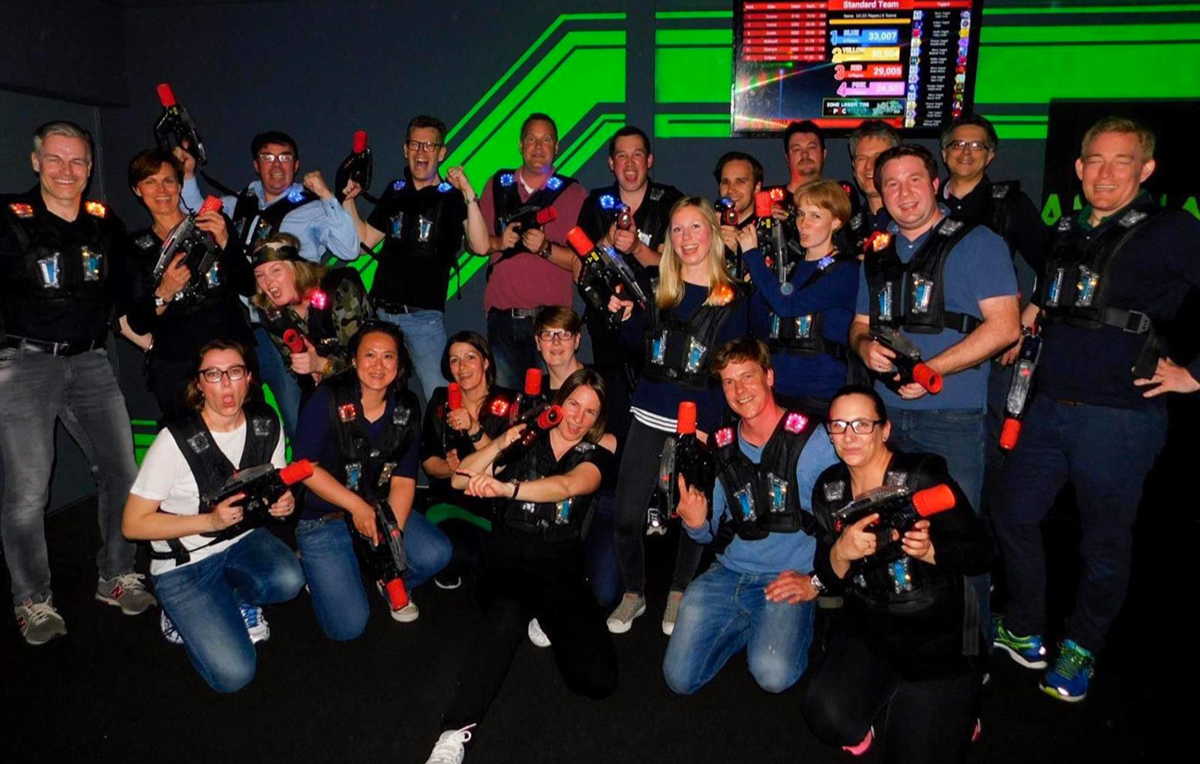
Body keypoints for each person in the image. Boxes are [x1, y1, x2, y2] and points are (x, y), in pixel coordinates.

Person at [990, 117, 1200, 702]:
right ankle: (1025, 627)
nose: (1105, 174)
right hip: (1046, 409)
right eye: (1096, 161)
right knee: (1013, 512)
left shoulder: (1171, 229)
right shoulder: (1068, 228)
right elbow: (1055, 293)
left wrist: (1194, 375)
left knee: (1103, 542)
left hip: (1120, 419)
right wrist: (1027, 319)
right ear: (1078, 168)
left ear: (1146, 169)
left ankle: (1080, 648)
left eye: (1121, 161)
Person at [848, 144, 1020, 630]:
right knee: (890, 533)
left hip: (953, 419)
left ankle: (971, 649)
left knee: (957, 537)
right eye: (891, 184)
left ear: (936, 184)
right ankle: (901, 634)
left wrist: (933, 372)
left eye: (913, 180)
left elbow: (1006, 326)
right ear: (880, 194)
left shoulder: (979, 242)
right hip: (885, 421)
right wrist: (864, 347)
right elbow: (859, 326)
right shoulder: (876, 252)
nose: (903, 193)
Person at [0, 121, 153, 645]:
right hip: (25, 365)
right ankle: (32, 599)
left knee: (123, 472)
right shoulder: (7, 218)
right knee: (27, 493)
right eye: (56, 159)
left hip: (90, 361)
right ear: (36, 162)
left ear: (89, 168)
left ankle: (116, 574)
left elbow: (131, 293)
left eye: (78, 161)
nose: (67, 171)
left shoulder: (103, 222)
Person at [423, 369, 618, 764]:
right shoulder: (527, 437)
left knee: (598, 681)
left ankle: (545, 616)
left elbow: (568, 486)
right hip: (508, 561)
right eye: (573, 405)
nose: (578, 418)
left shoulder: (598, 450)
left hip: (559, 565)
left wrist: (508, 489)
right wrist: (501, 441)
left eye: (590, 412)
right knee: (506, 616)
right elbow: (460, 481)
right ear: (559, 402)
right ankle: (453, 733)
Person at [803, 385, 991, 764]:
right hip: (870, 627)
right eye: (839, 425)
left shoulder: (922, 477)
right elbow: (829, 575)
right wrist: (840, 552)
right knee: (826, 715)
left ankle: (959, 710)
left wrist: (933, 551)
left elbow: (983, 552)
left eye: (862, 424)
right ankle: (889, 694)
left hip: (936, 634)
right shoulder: (830, 489)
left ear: (885, 429)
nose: (849, 436)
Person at [122, 340, 304, 692]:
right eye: (214, 375)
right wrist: (210, 522)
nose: (226, 384)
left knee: (288, 579)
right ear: (199, 384)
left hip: (242, 540)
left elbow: (274, 485)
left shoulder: (266, 422)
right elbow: (132, 524)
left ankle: (235, 599)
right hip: (183, 563)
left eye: (235, 372)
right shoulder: (174, 441)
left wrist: (282, 503)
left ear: (248, 378)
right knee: (234, 675)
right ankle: (178, 616)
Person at [606, 197, 748, 635]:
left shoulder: (732, 299)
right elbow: (640, 348)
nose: (686, 238)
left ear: (712, 233)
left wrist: (710, 428)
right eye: (678, 229)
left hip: (698, 423)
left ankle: (679, 592)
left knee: (692, 516)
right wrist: (624, 319)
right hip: (649, 413)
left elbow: (733, 371)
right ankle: (634, 593)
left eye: (695, 227)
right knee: (626, 517)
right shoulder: (659, 290)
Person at [663, 339, 837, 695]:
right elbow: (709, 532)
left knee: (773, 675)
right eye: (729, 382)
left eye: (747, 376)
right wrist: (695, 523)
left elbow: (846, 526)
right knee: (679, 680)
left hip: (787, 576)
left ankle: (777, 625)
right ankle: (749, 623)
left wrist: (817, 582)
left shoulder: (814, 441)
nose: (739, 390)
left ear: (769, 376)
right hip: (728, 572)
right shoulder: (722, 445)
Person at [181, 130, 359, 439]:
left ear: (297, 164)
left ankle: (308, 465)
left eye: (285, 157)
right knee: (240, 414)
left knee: (297, 415)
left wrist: (328, 196)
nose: (277, 165)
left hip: (285, 328)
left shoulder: (312, 206)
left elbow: (349, 249)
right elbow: (196, 213)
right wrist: (187, 175)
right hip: (240, 326)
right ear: (256, 164)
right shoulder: (241, 202)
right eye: (268, 157)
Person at [292, 322, 451, 634]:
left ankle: (379, 576)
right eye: (370, 355)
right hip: (325, 516)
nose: (379, 365)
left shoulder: (407, 405)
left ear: (399, 363)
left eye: (388, 356)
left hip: (377, 509)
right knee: (347, 627)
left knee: (436, 554)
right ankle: (315, 566)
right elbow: (305, 467)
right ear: (354, 360)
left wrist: (392, 539)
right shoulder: (328, 397)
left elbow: (404, 478)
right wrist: (356, 506)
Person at [341, 115, 489, 401]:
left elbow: (481, 246)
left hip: (423, 318)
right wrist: (348, 199)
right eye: (415, 145)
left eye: (429, 146)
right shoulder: (395, 191)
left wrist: (468, 191)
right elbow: (363, 242)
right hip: (380, 315)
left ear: (441, 153)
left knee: (440, 399)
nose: (421, 152)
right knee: (373, 395)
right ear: (405, 149)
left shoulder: (451, 197)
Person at [120, 148, 255, 421]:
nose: (161, 190)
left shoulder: (213, 224)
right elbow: (137, 321)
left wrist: (225, 241)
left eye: (168, 180)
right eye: (150, 182)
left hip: (231, 355)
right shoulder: (134, 248)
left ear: (180, 185)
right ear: (137, 190)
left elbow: (248, 285)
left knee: (246, 431)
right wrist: (164, 292)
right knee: (188, 440)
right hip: (178, 366)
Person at [575, 126, 683, 438]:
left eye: (637, 154)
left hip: (656, 322)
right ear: (611, 163)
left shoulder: (670, 201)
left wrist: (637, 248)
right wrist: (606, 241)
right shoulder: (596, 203)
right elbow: (580, 269)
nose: (630, 163)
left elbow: (680, 266)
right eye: (622, 156)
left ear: (649, 160)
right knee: (613, 415)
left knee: (658, 416)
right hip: (608, 325)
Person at [477, 113, 589, 389]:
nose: (538, 147)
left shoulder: (573, 194)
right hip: (503, 319)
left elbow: (584, 263)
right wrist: (498, 242)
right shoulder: (497, 185)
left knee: (551, 404)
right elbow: (475, 244)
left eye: (546, 140)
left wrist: (545, 248)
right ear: (520, 145)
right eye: (531, 139)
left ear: (557, 147)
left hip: (552, 326)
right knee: (506, 405)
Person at [739, 180, 860, 407]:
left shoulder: (846, 270)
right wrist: (755, 287)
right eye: (801, 214)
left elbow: (789, 307)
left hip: (822, 396)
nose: (804, 224)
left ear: (836, 222)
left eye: (815, 216)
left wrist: (753, 257)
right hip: (778, 393)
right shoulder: (791, 269)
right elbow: (763, 328)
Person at [535, 306, 621, 609]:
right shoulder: (535, 392)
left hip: (602, 497)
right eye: (548, 335)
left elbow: (617, 442)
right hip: (551, 500)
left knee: (604, 593)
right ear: (537, 343)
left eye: (563, 334)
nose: (556, 343)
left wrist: (569, 438)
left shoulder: (603, 379)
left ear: (577, 340)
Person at [420, 331, 517, 587]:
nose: (462, 367)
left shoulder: (508, 402)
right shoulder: (441, 401)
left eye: (470, 357)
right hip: (450, 501)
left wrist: (474, 428)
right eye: (454, 360)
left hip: (493, 505)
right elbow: (428, 460)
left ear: (486, 362)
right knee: (459, 556)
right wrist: (449, 469)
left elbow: (502, 463)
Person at [250, 233, 373, 416]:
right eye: (260, 275)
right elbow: (293, 365)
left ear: (296, 268)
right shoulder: (272, 313)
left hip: (369, 390)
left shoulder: (339, 290)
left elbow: (368, 364)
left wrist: (322, 365)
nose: (268, 282)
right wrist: (307, 370)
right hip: (324, 393)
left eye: (276, 270)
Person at [845, 120, 900, 251]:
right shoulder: (847, 230)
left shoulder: (914, 219)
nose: (869, 166)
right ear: (854, 167)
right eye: (862, 159)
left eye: (878, 157)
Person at [714, 151, 763, 280]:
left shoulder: (768, 230)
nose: (731, 190)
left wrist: (740, 250)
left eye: (740, 181)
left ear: (757, 187)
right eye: (725, 182)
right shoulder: (708, 227)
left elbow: (771, 285)